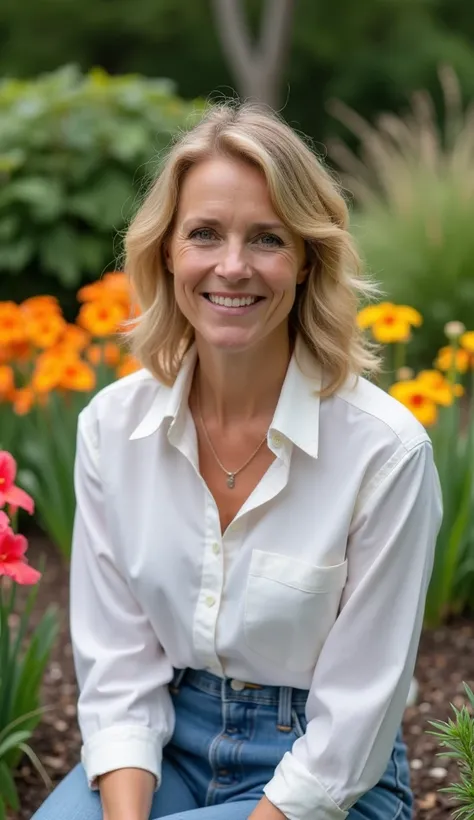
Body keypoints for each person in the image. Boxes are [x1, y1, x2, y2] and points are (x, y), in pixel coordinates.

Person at [32, 102, 442, 820]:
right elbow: (119, 671)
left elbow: (355, 720)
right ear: (166, 251)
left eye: (267, 239)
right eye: (204, 234)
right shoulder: (110, 428)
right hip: (168, 751)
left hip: (327, 777)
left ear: (308, 259)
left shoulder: (386, 452)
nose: (232, 266)